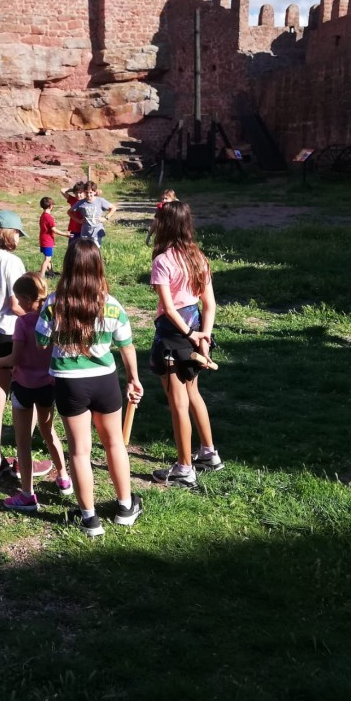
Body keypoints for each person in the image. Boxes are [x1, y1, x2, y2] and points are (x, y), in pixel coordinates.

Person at [36, 239, 144, 537]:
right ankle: (125, 507)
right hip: (105, 380)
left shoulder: (54, 303)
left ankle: (89, 519)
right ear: (98, 267)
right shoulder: (112, 305)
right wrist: (134, 378)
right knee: (114, 444)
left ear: (68, 266)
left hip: (69, 384)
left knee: (80, 452)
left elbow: (41, 342)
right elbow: (127, 346)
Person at [0, 210, 53, 479]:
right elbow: (17, 304)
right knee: (23, 399)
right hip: (15, 336)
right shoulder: (13, 262)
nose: (19, 238)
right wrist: (37, 320)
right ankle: (21, 459)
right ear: (8, 232)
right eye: (17, 233)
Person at [147, 201, 223, 490]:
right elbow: (210, 304)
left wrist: (192, 335)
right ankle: (208, 453)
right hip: (195, 329)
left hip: (173, 335)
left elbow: (167, 307)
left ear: (164, 225)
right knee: (194, 393)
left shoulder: (163, 260)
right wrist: (204, 334)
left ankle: (184, 469)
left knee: (178, 402)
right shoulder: (199, 257)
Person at [0, 273, 73, 512]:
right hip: (48, 385)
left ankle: (27, 494)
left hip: (24, 387)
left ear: (27, 299)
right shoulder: (55, 319)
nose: (16, 303)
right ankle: (64, 476)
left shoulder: (24, 323)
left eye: (18, 299)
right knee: (49, 431)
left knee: (23, 441)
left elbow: (15, 358)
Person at [71, 182, 116, 246]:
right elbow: (69, 212)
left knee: (95, 250)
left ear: (94, 192)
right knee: (85, 250)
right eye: (86, 192)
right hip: (85, 231)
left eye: (90, 192)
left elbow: (113, 208)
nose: (88, 195)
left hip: (96, 230)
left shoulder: (100, 201)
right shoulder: (81, 203)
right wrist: (78, 220)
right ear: (84, 192)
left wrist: (106, 217)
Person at [37, 197, 69, 279]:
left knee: (48, 258)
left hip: (43, 239)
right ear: (51, 206)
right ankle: (42, 275)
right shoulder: (49, 217)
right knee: (47, 259)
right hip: (47, 241)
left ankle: (51, 273)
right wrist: (65, 234)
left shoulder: (43, 216)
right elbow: (54, 230)